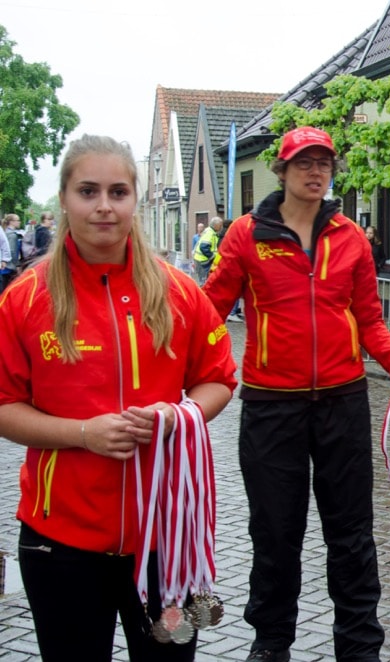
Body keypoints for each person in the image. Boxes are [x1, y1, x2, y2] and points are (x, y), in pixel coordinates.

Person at [0, 134, 237, 661]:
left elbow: (219, 379)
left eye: (118, 191)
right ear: (64, 198)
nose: (104, 206)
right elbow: (3, 406)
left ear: (135, 199)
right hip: (58, 539)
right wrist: (83, 434)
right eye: (88, 191)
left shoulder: (180, 291)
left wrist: (180, 415)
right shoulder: (25, 298)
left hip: (166, 540)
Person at [202, 126, 390, 662]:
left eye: (323, 163)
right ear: (281, 170)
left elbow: (370, 318)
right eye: (303, 163)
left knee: (351, 533)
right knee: (276, 533)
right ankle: (271, 643)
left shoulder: (349, 238)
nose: (315, 171)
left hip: (342, 402)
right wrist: (174, 369)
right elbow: (206, 312)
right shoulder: (245, 236)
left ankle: (360, 646)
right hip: (270, 405)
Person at [193, 216, 222, 285]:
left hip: (201, 260)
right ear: (216, 225)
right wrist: (212, 257)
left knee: (204, 280)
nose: (221, 227)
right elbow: (203, 247)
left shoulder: (209, 231)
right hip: (203, 261)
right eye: (220, 225)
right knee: (204, 282)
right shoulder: (210, 233)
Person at [3, 213, 21, 285]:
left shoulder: (4, 232)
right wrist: (17, 265)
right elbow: (12, 251)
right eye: (17, 220)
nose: (19, 222)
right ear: (11, 222)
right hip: (10, 267)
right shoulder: (12, 235)